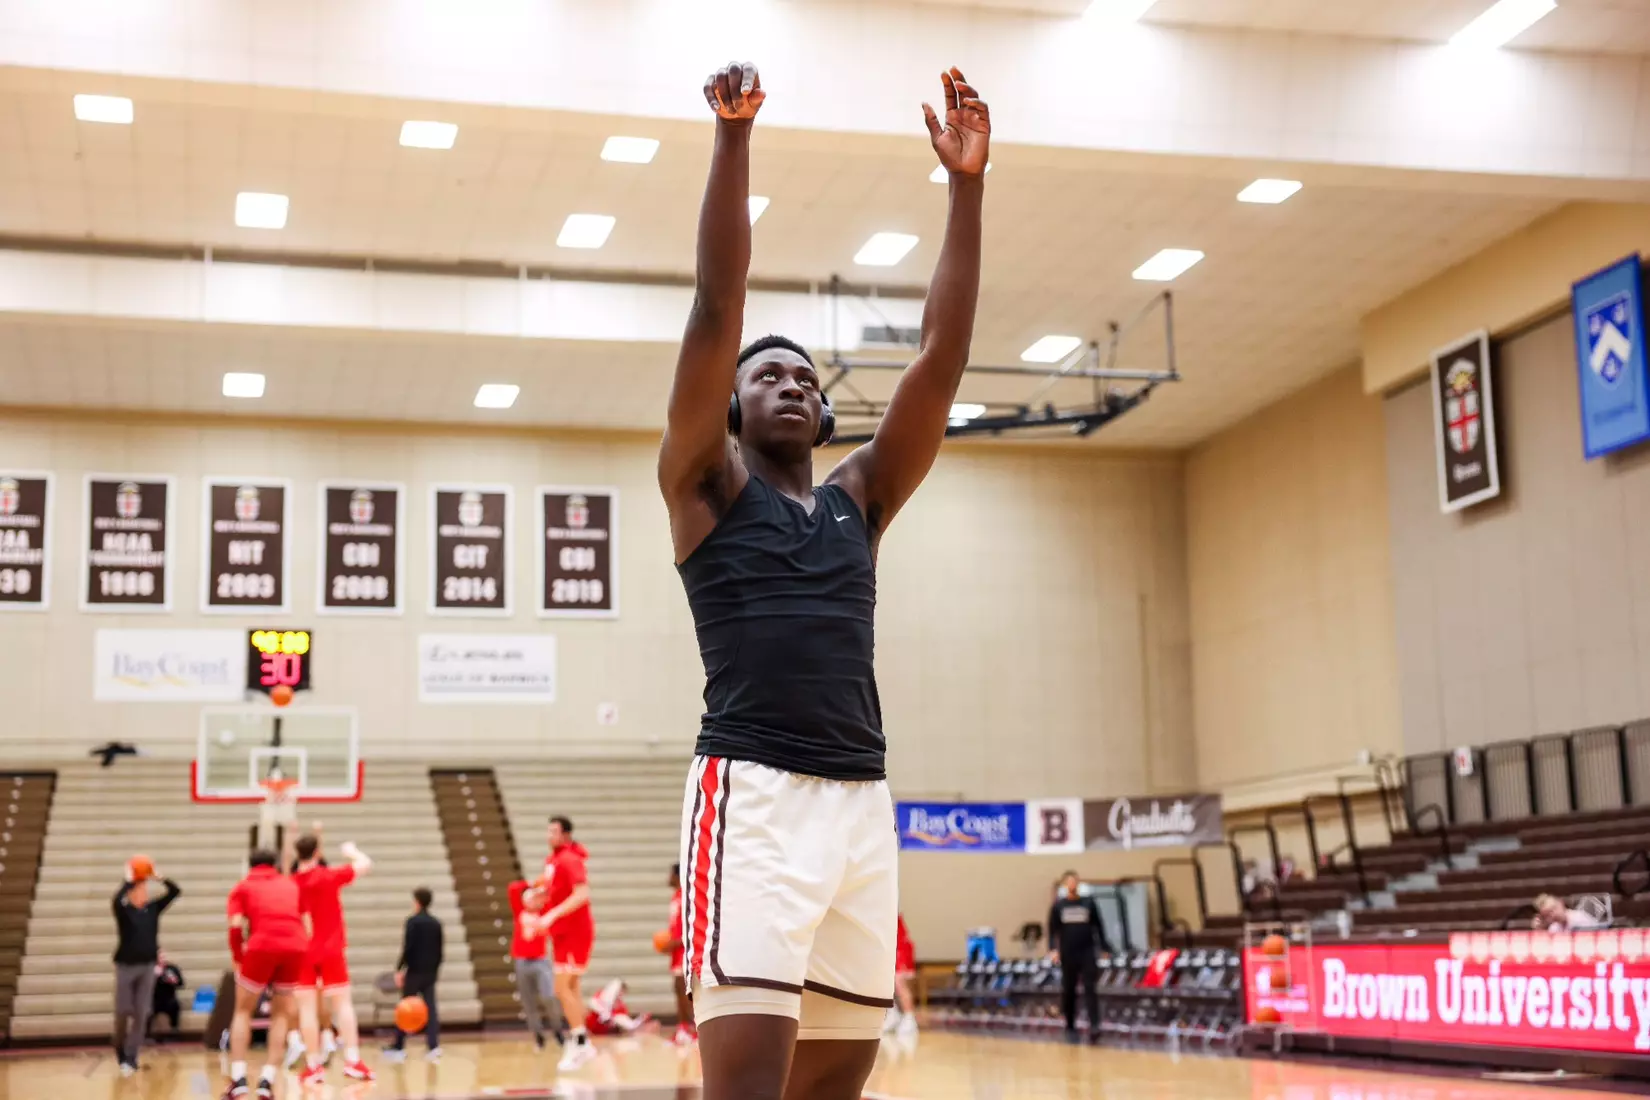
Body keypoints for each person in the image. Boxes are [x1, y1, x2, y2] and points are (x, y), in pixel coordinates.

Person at [657, 57, 988, 1100]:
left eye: (806, 376)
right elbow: (717, 308)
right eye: (768, 376)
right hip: (750, 797)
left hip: (860, 804)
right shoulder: (704, 486)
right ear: (733, 409)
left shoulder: (859, 500)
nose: (791, 382)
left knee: (835, 1084)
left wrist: (967, 190)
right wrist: (734, 137)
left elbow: (939, 355)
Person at [291, 829, 374, 1085]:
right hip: (331, 950)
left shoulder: (290, 883)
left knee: (306, 1010)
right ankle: (352, 1060)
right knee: (343, 1005)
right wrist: (351, 851)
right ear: (318, 852)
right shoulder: (328, 876)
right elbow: (365, 864)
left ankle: (313, 1065)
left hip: (302, 952)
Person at [223, 848, 307, 1100]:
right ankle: (267, 1080)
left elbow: (236, 927)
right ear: (276, 864)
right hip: (296, 945)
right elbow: (306, 921)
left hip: (261, 946)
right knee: (281, 1014)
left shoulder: (243, 887)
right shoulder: (291, 884)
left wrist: (239, 957)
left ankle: (238, 1080)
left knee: (242, 1011)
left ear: (250, 865)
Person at [112, 863, 181, 1075]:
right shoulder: (124, 911)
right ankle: (120, 1051)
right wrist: (129, 881)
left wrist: (159, 877)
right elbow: (115, 901)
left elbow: (175, 891)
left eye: (145, 888)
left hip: (148, 966)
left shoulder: (153, 909)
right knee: (123, 1011)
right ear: (132, 893)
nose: (144, 891)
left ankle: (131, 1058)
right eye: (140, 888)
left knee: (142, 1014)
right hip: (125, 966)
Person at [541, 815, 595, 1071]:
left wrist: (552, 914)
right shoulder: (553, 860)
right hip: (561, 934)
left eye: (553, 831)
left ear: (565, 835)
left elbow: (582, 894)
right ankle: (581, 1040)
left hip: (575, 932)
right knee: (571, 988)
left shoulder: (569, 859)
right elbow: (553, 890)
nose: (548, 836)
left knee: (562, 988)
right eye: (548, 831)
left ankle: (581, 1041)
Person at [1048, 871, 1111, 1041]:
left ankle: (1095, 1025)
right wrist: (1053, 949)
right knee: (1069, 989)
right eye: (1069, 882)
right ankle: (1070, 1025)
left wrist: (1104, 947)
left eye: (1074, 881)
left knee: (1091, 988)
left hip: (1087, 951)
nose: (1072, 885)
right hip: (1068, 952)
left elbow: (1099, 925)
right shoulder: (1058, 906)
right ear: (1064, 885)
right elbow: (1053, 931)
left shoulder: (1088, 903)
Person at [384, 886, 443, 1063]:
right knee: (431, 1009)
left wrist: (400, 968)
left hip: (415, 972)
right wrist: (434, 970)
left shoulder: (412, 922)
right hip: (430, 972)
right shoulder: (436, 923)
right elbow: (440, 951)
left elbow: (408, 948)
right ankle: (433, 1046)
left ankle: (399, 1046)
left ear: (417, 901)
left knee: (405, 1008)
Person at [508, 877, 556, 1051]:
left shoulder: (544, 913)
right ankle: (538, 1036)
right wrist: (531, 885)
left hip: (540, 960)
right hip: (522, 960)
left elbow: (551, 897)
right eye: (530, 897)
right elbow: (513, 888)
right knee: (528, 1003)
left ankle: (557, 1030)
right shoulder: (519, 911)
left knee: (548, 996)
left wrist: (543, 890)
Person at [665, 863, 695, 1046]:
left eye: (671, 874)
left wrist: (672, 943)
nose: (668, 877)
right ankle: (682, 1028)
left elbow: (688, 929)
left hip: (684, 951)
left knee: (685, 990)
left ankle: (692, 1028)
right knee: (678, 988)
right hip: (677, 952)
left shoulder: (685, 897)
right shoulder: (675, 897)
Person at [882, 914, 918, 1041]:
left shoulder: (889, 913)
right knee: (885, 984)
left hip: (900, 949)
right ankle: (893, 1014)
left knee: (900, 983)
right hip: (889, 949)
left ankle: (909, 1016)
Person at [148, 951, 184, 1038]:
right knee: (146, 1009)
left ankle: (174, 1032)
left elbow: (181, 983)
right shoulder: (150, 969)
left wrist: (174, 980)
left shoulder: (172, 969)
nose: (162, 959)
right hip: (154, 999)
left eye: (163, 957)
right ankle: (147, 1035)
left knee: (175, 1006)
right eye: (159, 958)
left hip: (169, 999)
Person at [1533, 893, 1602, 932]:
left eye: (1553, 909)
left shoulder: (1580, 918)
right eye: (1547, 914)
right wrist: (1540, 930)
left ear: (1561, 903)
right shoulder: (1554, 928)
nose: (1553, 915)